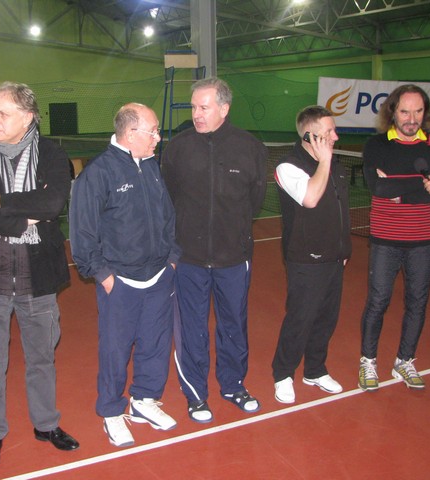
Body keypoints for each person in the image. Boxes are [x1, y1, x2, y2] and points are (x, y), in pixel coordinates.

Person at [0, 82, 79, 468]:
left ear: (27, 118)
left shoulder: (52, 154)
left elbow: (52, 202)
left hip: (37, 278)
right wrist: (23, 218)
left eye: (3, 113)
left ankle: (46, 424)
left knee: (41, 358)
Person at [69, 103, 181, 447]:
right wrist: (104, 276)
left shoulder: (151, 166)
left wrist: (172, 259)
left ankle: (144, 400)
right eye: (153, 131)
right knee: (115, 351)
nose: (158, 138)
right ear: (131, 134)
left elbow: (168, 215)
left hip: (158, 276)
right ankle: (111, 411)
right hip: (120, 282)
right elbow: (82, 234)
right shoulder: (98, 173)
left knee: (155, 344)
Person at [161, 77, 267, 423]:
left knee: (233, 324)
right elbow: (169, 197)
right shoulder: (178, 148)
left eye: (204, 107)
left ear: (224, 108)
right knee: (191, 329)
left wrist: (232, 233)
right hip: (188, 259)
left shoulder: (249, 147)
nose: (197, 114)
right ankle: (195, 395)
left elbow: (255, 200)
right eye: (194, 107)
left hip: (233, 258)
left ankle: (234, 386)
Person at [358, 84, 430, 392]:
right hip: (385, 238)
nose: (411, 119)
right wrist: (420, 183)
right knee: (378, 301)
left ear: (426, 113)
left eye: (418, 111)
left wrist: (397, 188)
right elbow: (378, 188)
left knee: (418, 302)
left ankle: (405, 360)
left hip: (423, 240)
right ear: (392, 112)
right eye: (404, 111)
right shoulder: (376, 145)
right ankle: (368, 361)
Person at [271, 106, 352, 404]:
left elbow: (341, 210)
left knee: (326, 318)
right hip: (305, 259)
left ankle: (315, 370)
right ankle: (283, 374)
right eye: (329, 132)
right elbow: (310, 198)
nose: (336, 137)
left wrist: (344, 249)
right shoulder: (288, 167)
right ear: (309, 136)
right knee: (300, 319)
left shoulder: (335, 167)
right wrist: (325, 161)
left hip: (335, 258)